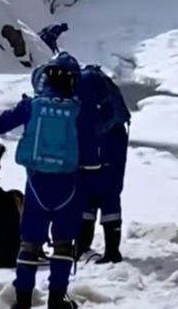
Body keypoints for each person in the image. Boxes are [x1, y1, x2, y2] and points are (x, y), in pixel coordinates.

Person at [0, 52, 82, 309]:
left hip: (36, 184)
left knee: (29, 244)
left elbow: (1, 123)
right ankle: (56, 300)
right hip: (68, 186)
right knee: (63, 245)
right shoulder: (79, 110)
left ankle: (23, 298)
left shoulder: (31, 106)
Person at [75, 65, 130, 264]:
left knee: (86, 202)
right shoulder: (109, 103)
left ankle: (81, 247)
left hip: (90, 162)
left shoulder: (82, 101)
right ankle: (112, 250)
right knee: (110, 201)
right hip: (113, 159)